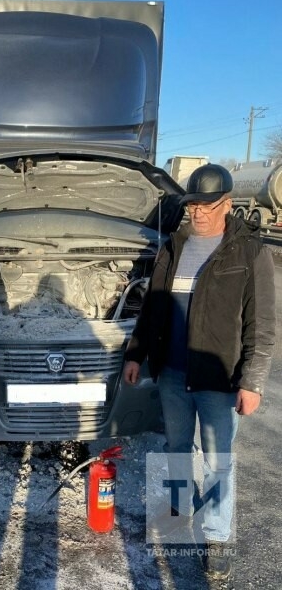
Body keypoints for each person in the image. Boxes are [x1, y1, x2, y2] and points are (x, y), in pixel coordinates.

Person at [123, 164, 275, 580]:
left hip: (218, 379)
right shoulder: (175, 246)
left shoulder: (249, 251)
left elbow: (260, 325)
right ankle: (175, 515)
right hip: (172, 373)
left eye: (208, 205)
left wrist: (253, 381)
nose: (198, 212)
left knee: (218, 461)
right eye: (193, 204)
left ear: (227, 204)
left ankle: (217, 537)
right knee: (175, 448)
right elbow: (153, 307)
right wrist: (135, 354)